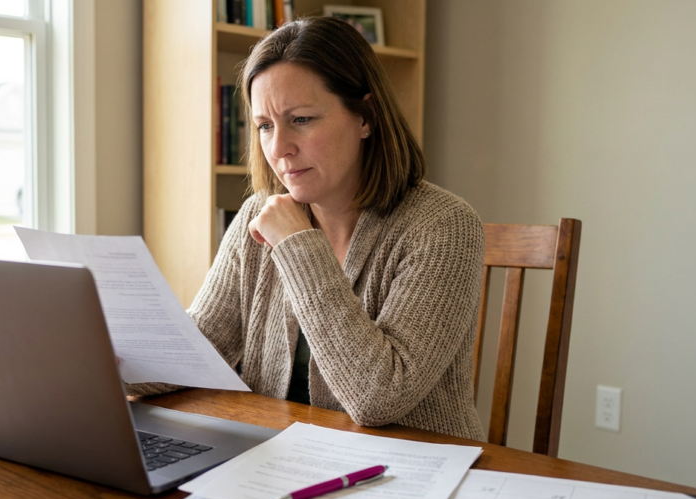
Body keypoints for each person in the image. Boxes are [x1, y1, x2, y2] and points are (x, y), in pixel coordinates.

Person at [131, 17, 486, 441]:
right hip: (282, 458)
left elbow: (378, 397)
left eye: (300, 119)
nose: (279, 148)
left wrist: (298, 245)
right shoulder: (255, 216)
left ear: (365, 118)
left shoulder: (444, 226)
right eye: (265, 125)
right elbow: (196, 349)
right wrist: (102, 362)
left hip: (408, 472)